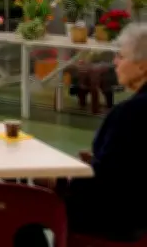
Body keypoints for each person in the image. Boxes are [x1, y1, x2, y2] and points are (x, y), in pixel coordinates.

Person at [16, 23, 147, 246]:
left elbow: (106, 185)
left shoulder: (129, 115)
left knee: (19, 208)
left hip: (118, 219)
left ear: (143, 66)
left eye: (120, 57)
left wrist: (59, 182)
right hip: (138, 216)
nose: (114, 63)